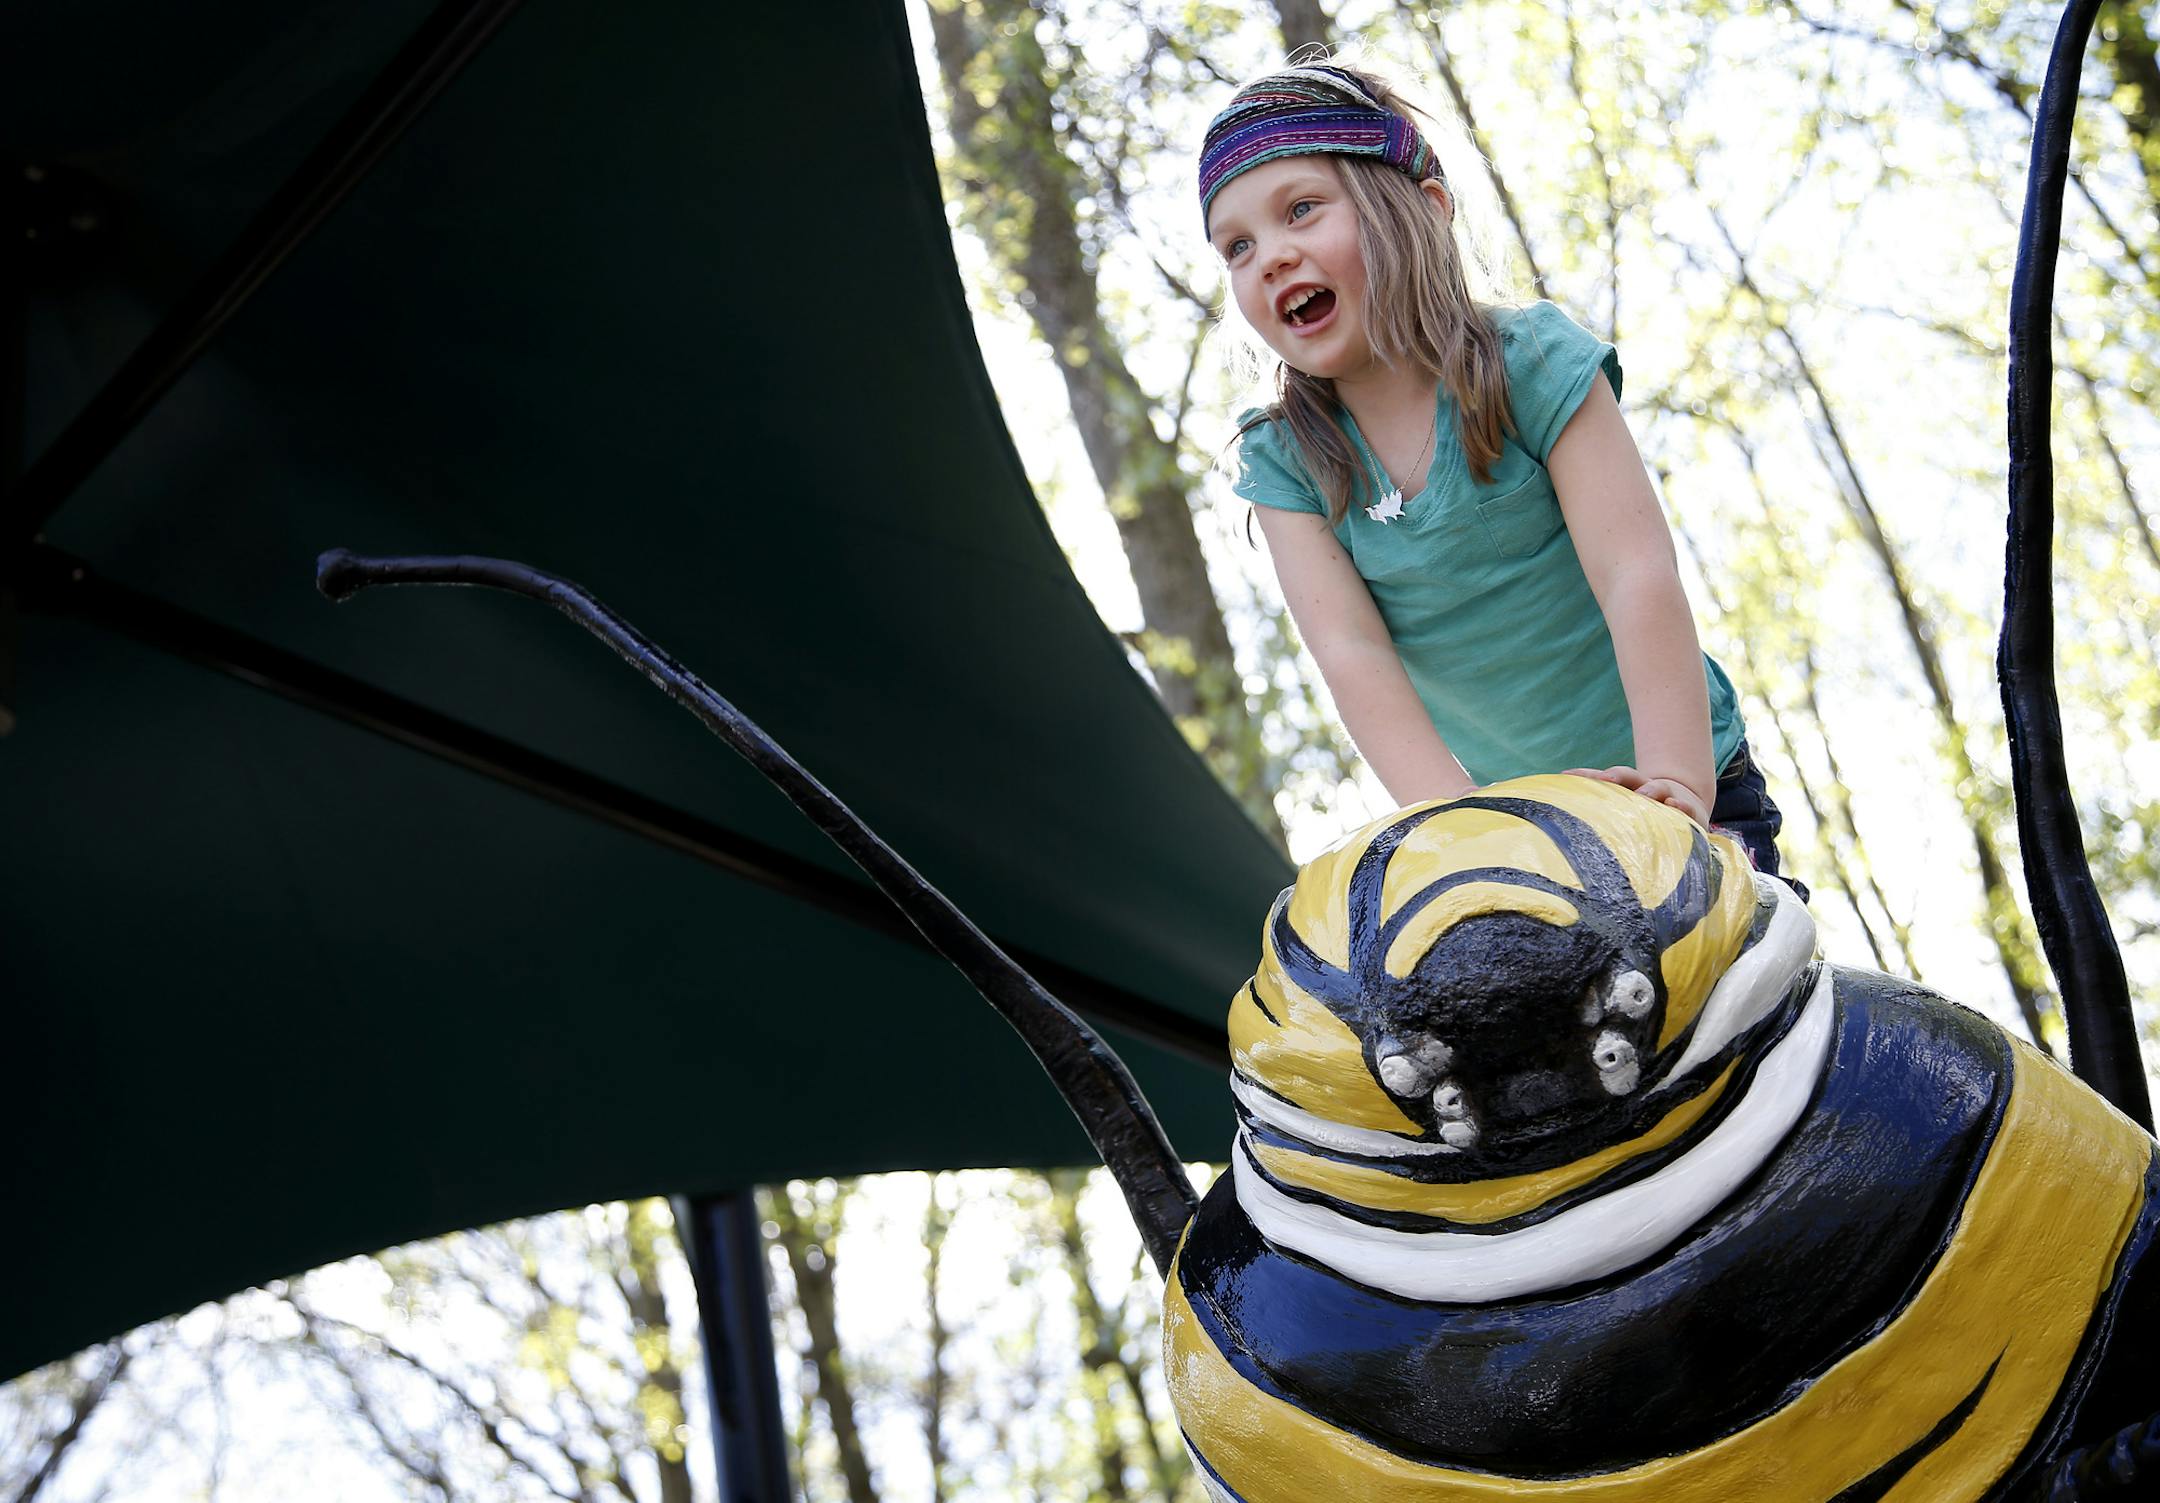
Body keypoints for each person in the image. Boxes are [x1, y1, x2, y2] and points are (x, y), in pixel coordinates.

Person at [1203, 61, 1799, 888]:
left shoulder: (1531, 363)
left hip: (1686, 770)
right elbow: (1352, 654)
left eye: (1301, 209)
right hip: (1526, 831)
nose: (1269, 256)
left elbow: (1634, 572)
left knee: (1737, 996)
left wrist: (1681, 786)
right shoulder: (1286, 461)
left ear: (1424, 208)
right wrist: (1482, 839)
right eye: (1237, 246)